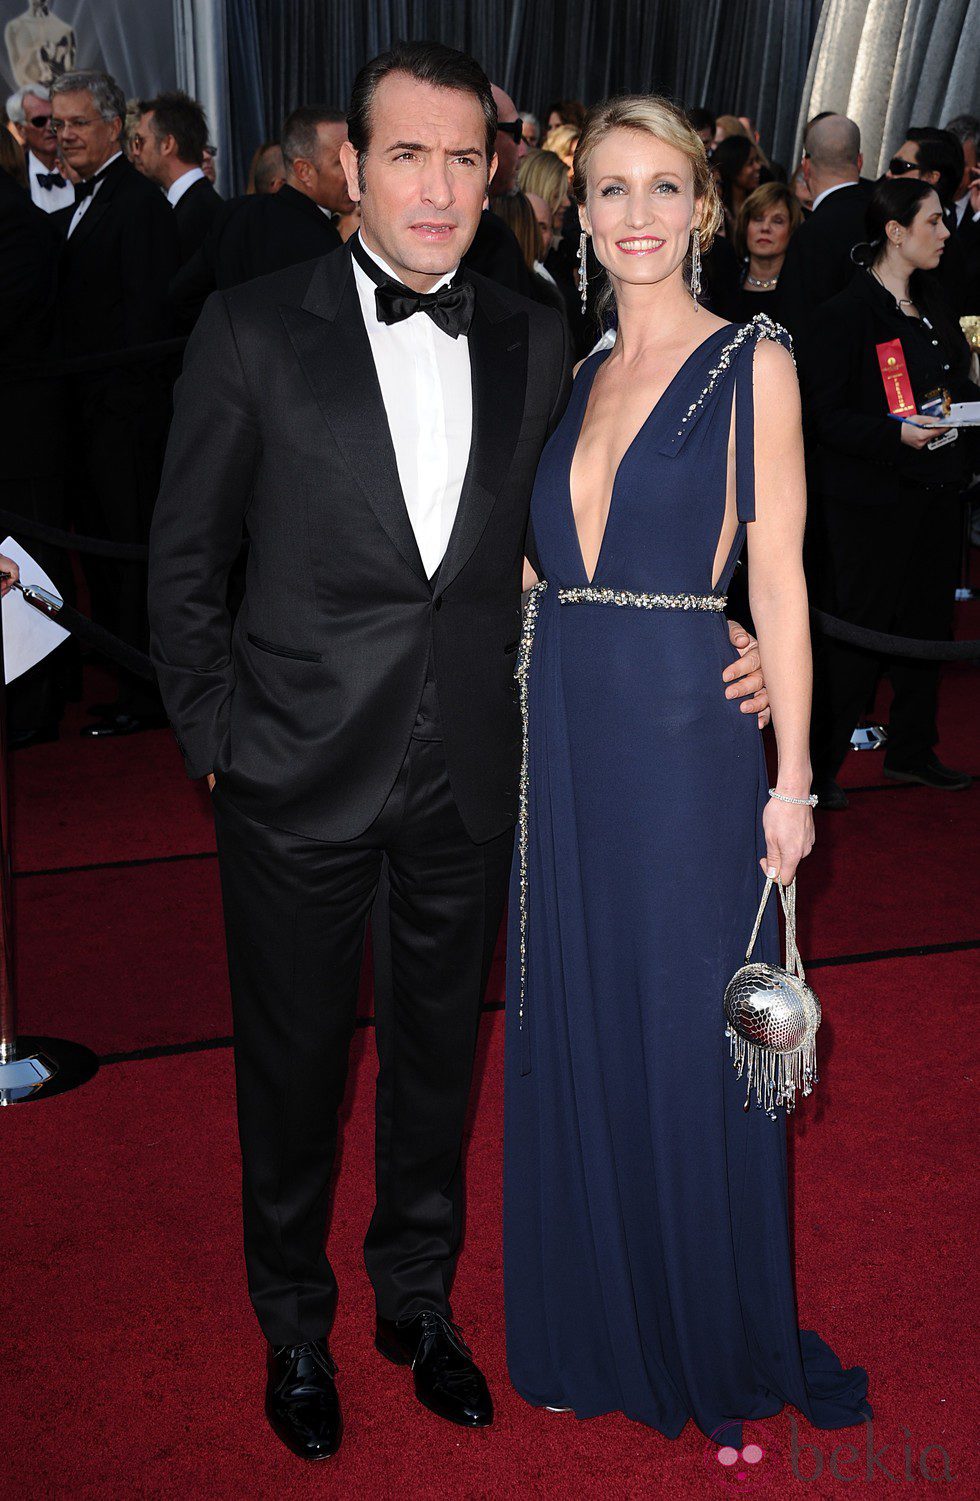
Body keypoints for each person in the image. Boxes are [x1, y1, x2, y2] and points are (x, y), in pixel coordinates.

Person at [148, 43, 770, 1463]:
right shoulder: (251, 326)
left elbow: (583, 542)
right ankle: (295, 1321)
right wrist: (217, 749)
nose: (436, 186)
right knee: (294, 1066)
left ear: (495, 177)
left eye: (461, 158)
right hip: (291, 775)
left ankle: (413, 1303)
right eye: (405, 156)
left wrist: (721, 638)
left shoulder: (534, 333)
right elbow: (183, 567)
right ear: (348, 171)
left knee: (439, 1061)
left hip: (477, 774)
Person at [504, 92, 872, 1450]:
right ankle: (593, 1319)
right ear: (580, 210)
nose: (640, 214)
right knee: (583, 1021)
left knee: (682, 1038)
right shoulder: (572, 363)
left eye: (666, 187)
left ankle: (708, 1336)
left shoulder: (751, 359)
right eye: (613, 189)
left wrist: (792, 782)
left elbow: (776, 571)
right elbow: (536, 566)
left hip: (681, 750)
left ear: (701, 209)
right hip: (566, 746)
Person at [803, 178, 977, 809]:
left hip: (936, 494)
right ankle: (818, 768)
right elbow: (823, 417)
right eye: (933, 222)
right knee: (858, 632)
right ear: (896, 232)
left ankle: (912, 751)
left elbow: (953, 389)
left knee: (928, 626)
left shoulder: (936, 306)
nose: (945, 232)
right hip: (870, 505)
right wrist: (893, 434)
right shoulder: (843, 316)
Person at [50, 68, 180, 737]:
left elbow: (146, 324)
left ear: (113, 130)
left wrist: (120, 416)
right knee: (104, 553)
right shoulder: (84, 202)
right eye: (54, 123)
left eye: (76, 122)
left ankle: (147, 690)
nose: (62, 134)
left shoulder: (137, 204)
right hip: (94, 421)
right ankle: (128, 682)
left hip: (126, 425)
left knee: (130, 552)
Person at [170, 106, 344, 328]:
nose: (354, 170)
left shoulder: (234, 214)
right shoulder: (324, 243)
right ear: (304, 171)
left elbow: (182, 295)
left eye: (356, 157)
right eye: (340, 162)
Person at [776, 114, 869, 346]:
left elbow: (793, 326)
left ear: (805, 166)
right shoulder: (885, 218)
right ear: (859, 161)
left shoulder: (809, 235)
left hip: (826, 373)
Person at [887, 128, 970, 318]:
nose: (889, 174)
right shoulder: (877, 214)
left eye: (899, 167)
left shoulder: (949, 251)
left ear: (932, 178)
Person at [131, 91, 221, 263]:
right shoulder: (191, 207)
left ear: (167, 144)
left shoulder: (199, 215)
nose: (135, 152)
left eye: (139, 141)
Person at [723, 180, 802, 323]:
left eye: (777, 221)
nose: (765, 228)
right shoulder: (724, 285)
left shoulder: (801, 292)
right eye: (758, 219)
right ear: (745, 227)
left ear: (792, 230)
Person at [5, 82, 74, 211]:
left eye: (53, 119)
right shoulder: (15, 178)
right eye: (39, 121)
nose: (50, 127)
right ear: (21, 130)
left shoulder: (81, 161)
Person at [711, 134, 761, 232]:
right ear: (734, 167)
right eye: (750, 163)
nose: (758, 166)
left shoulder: (759, 205)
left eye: (757, 160)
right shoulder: (717, 211)